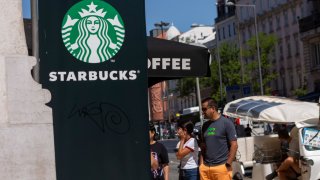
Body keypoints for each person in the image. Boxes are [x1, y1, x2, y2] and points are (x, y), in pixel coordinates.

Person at [199, 97, 238, 180]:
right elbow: (203, 146)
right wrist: (201, 166)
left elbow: (234, 145)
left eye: (204, 109)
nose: (203, 112)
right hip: (206, 168)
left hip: (221, 168)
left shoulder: (226, 123)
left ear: (213, 108)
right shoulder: (205, 126)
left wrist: (228, 164)